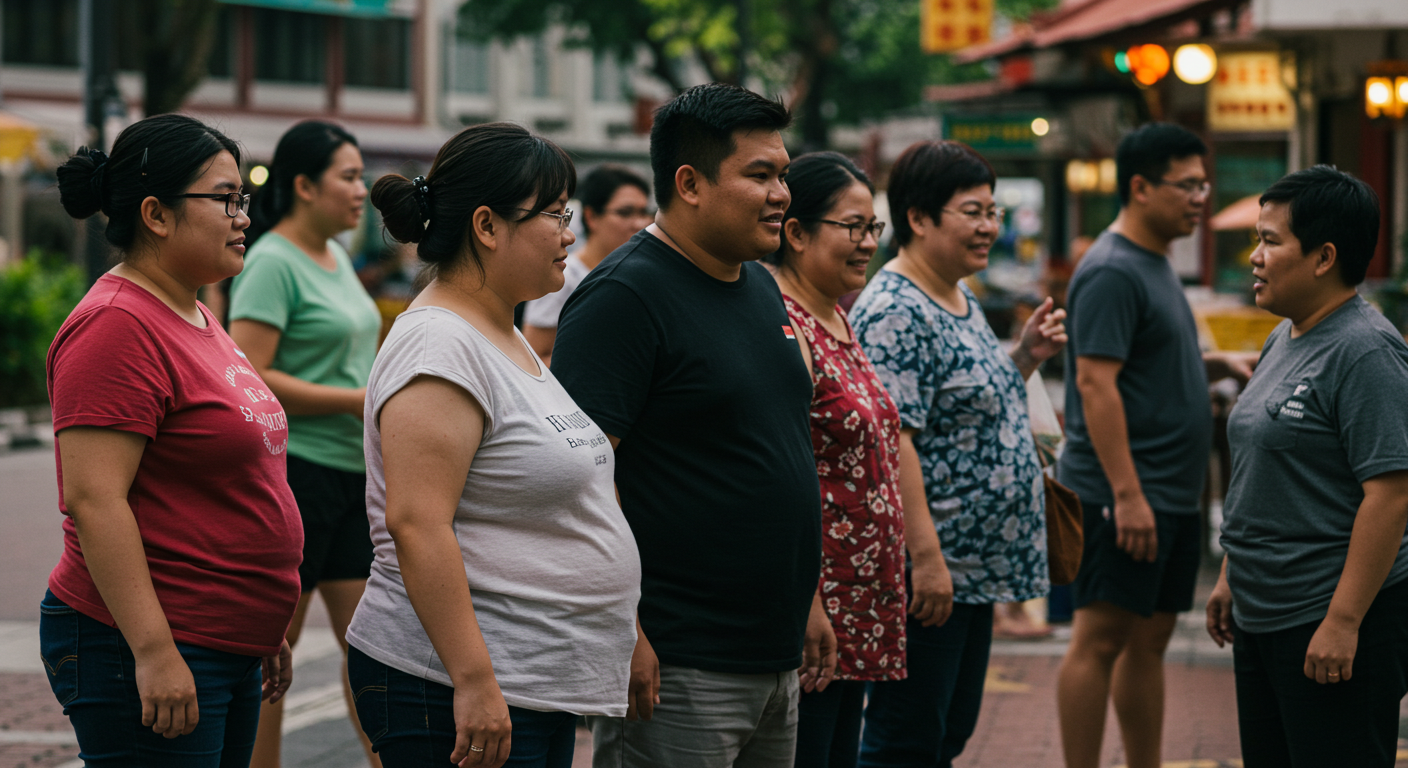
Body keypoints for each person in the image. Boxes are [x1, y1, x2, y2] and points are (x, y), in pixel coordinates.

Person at [345, 122, 641, 768]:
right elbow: (417, 523)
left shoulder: (500, 331)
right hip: (456, 688)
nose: (569, 235)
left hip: (527, 683)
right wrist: (474, 680)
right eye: (555, 215)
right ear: (487, 225)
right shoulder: (440, 344)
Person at [552, 83, 822, 767]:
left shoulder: (760, 284)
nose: (781, 194)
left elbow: (782, 445)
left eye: (783, 174)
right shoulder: (624, 296)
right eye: (759, 175)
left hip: (775, 652)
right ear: (690, 183)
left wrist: (811, 601)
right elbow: (581, 481)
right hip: (681, 663)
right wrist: (625, 630)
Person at [42, 113, 300, 766]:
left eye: (243, 198)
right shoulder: (116, 325)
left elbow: (223, 481)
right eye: (225, 199)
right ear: (156, 214)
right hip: (147, 640)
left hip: (222, 638)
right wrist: (154, 651)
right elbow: (95, 501)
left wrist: (259, 620)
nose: (243, 217)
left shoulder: (193, 311)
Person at [849, 139, 1065, 767]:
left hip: (974, 570)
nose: (989, 226)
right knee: (905, 741)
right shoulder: (896, 309)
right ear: (918, 218)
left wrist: (1023, 357)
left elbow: (962, 401)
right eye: (973, 212)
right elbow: (895, 440)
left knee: (945, 734)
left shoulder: (958, 295)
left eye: (993, 212)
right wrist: (926, 560)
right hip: (933, 571)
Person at [1053, 123, 1255, 768]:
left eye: (1204, 185)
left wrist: (1213, 365)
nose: (1200, 198)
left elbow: (1140, 361)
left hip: (1168, 493)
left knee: (1148, 642)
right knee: (1098, 640)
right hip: (1123, 497)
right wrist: (1127, 495)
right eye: (1187, 185)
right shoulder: (1112, 269)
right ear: (1140, 187)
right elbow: (1095, 383)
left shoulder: (1154, 260)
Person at [1207, 166, 1408, 767]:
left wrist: (1343, 621)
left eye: (1270, 241)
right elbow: (1264, 470)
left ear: (1324, 257)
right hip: (1263, 612)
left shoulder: (1366, 351)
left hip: (1328, 617)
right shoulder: (1286, 337)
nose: (1255, 257)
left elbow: (1392, 495)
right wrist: (1231, 573)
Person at [226, 121, 382, 768]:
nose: (361, 190)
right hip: (296, 476)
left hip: (351, 476)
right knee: (273, 652)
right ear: (303, 186)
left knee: (372, 649)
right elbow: (250, 373)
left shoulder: (336, 257)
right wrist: (353, 400)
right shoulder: (271, 261)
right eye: (348, 176)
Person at [762, 151, 914, 768]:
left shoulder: (837, 316)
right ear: (796, 233)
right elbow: (778, 467)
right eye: (853, 227)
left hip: (863, 596)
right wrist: (809, 600)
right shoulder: (783, 321)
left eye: (873, 227)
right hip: (820, 598)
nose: (868, 242)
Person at [522, 164, 652, 365]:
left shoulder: (639, 274)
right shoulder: (563, 277)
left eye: (643, 213)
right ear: (591, 216)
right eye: (625, 213)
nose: (639, 223)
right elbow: (533, 358)